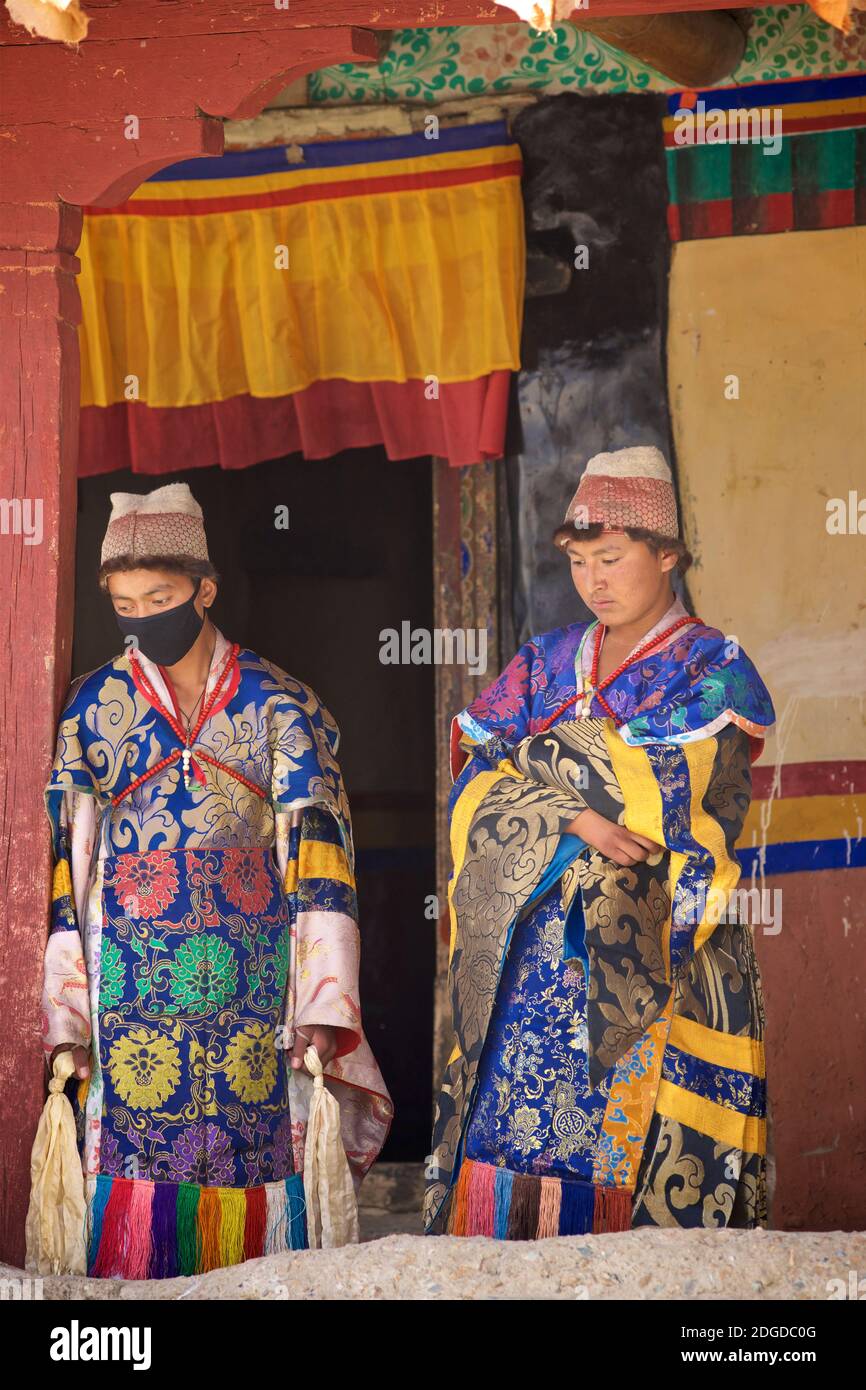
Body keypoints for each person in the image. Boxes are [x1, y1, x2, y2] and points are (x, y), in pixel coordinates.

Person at [41, 482, 392, 1277]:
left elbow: (320, 854)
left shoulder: (278, 704)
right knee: (138, 1161)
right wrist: (68, 1004)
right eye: (125, 604)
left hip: (255, 972)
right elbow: (71, 862)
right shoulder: (92, 709)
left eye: (159, 598)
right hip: (135, 975)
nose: (141, 619)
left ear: (204, 589)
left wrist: (322, 999)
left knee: (259, 1150)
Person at [425, 446, 776, 1237]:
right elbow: (475, 777)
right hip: (532, 956)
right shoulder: (542, 662)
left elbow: (677, 793)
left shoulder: (711, 667)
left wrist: (539, 762)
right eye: (581, 562)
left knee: (637, 1160)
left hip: (657, 944)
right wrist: (574, 816)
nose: (594, 581)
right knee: (510, 1144)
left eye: (612, 559)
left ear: (668, 556)